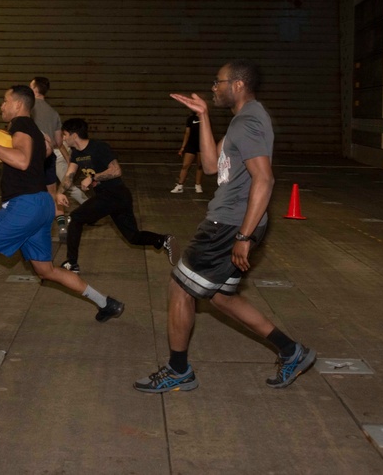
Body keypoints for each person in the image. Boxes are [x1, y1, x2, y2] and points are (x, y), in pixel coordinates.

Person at [134, 59, 316, 393]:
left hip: (229, 224)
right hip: (233, 222)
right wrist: (203, 116)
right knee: (220, 298)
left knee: (180, 288)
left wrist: (243, 236)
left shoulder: (248, 123)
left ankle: (178, 370)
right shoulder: (240, 123)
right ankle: (292, 351)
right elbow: (208, 164)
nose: (214, 88)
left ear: (238, 85)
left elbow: (264, 180)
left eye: (218, 82)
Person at [0, 85, 125, 343]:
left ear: (17, 105)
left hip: (24, 206)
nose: (1, 106)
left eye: (4, 101)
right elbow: (45, 152)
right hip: (42, 204)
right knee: (46, 270)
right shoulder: (34, 130)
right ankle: (106, 303)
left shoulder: (21, 125)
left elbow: (23, 161)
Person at [56, 118, 178, 274]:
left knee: (75, 218)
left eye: (65, 135)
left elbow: (116, 171)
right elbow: (69, 176)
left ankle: (72, 263)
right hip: (110, 198)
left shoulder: (99, 147)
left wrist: (93, 178)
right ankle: (162, 240)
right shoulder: (76, 154)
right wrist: (59, 193)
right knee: (133, 237)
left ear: (74, 135)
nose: (63, 138)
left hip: (115, 194)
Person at [29, 77, 85, 216]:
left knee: (30, 192)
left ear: (35, 89)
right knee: (54, 192)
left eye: (30, 86)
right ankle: (61, 226)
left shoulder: (28, 109)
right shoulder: (53, 113)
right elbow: (59, 142)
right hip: (51, 156)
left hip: (33, 156)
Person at [171, 113, 204, 194]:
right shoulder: (191, 119)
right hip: (191, 145)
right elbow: (187, 133)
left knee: (200, 165)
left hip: (201, 145)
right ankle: (180, 186)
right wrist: (183, 147)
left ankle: (198, 185)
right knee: (185, 165)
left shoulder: (205, 118)